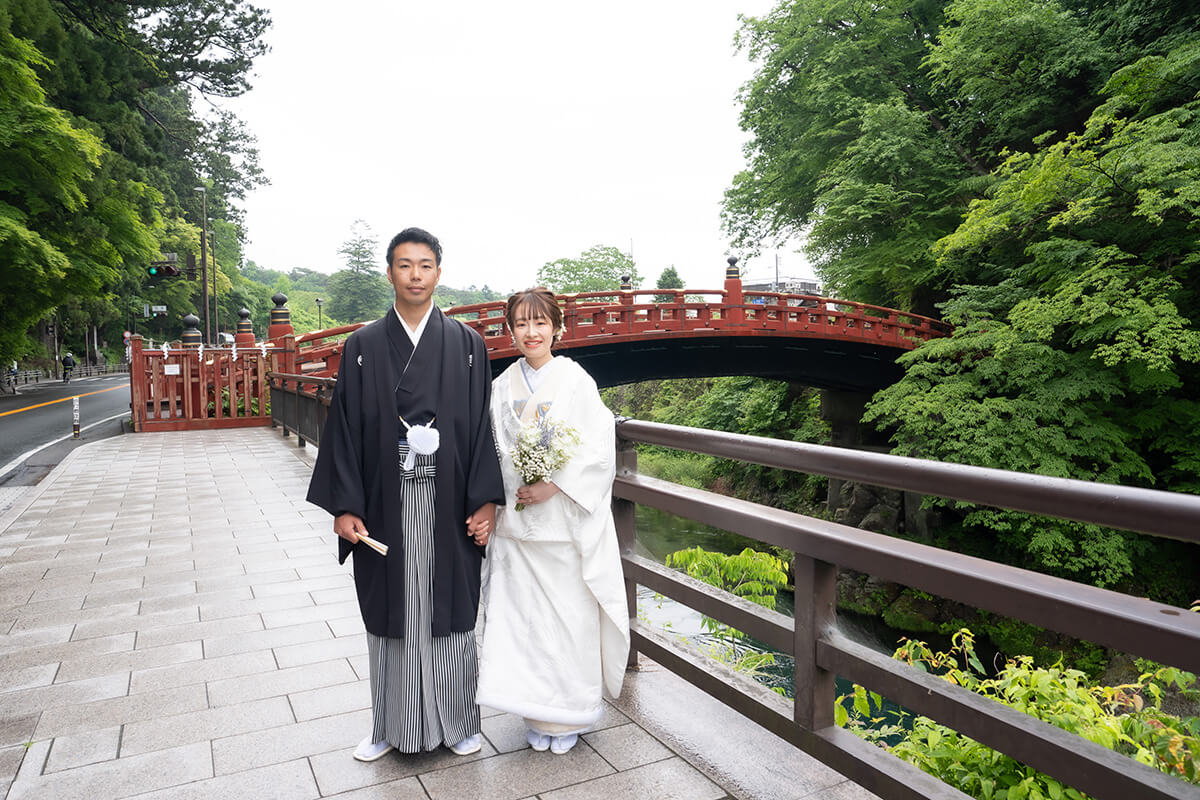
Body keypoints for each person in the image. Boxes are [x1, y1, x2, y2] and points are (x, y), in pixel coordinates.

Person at [306, 227, 505, 761]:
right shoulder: (364, 346)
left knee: (454, 610)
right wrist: (345, 506)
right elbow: (344, 428)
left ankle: (460, 722)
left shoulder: (467, 346)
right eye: (404, 265)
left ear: (439, 272)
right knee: (389, 612)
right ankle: (386, 725)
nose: (415, 275)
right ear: (389, 272)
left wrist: (485, 500)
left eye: (424, 265)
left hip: (450, 500)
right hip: (383, 501)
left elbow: (481, 429)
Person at [476, 287, 630, 755]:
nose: (531, 332)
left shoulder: (577, 381)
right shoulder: (502, 384)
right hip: (519, 528)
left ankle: (570, 716)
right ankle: (536, 714)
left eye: (540, 323)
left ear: (558, 328)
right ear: (510, 330)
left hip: (563, 526)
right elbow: (491, 448)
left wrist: (554, 484)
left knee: (567, 622)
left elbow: (597, 449)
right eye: (521, 323)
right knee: (525, 624)